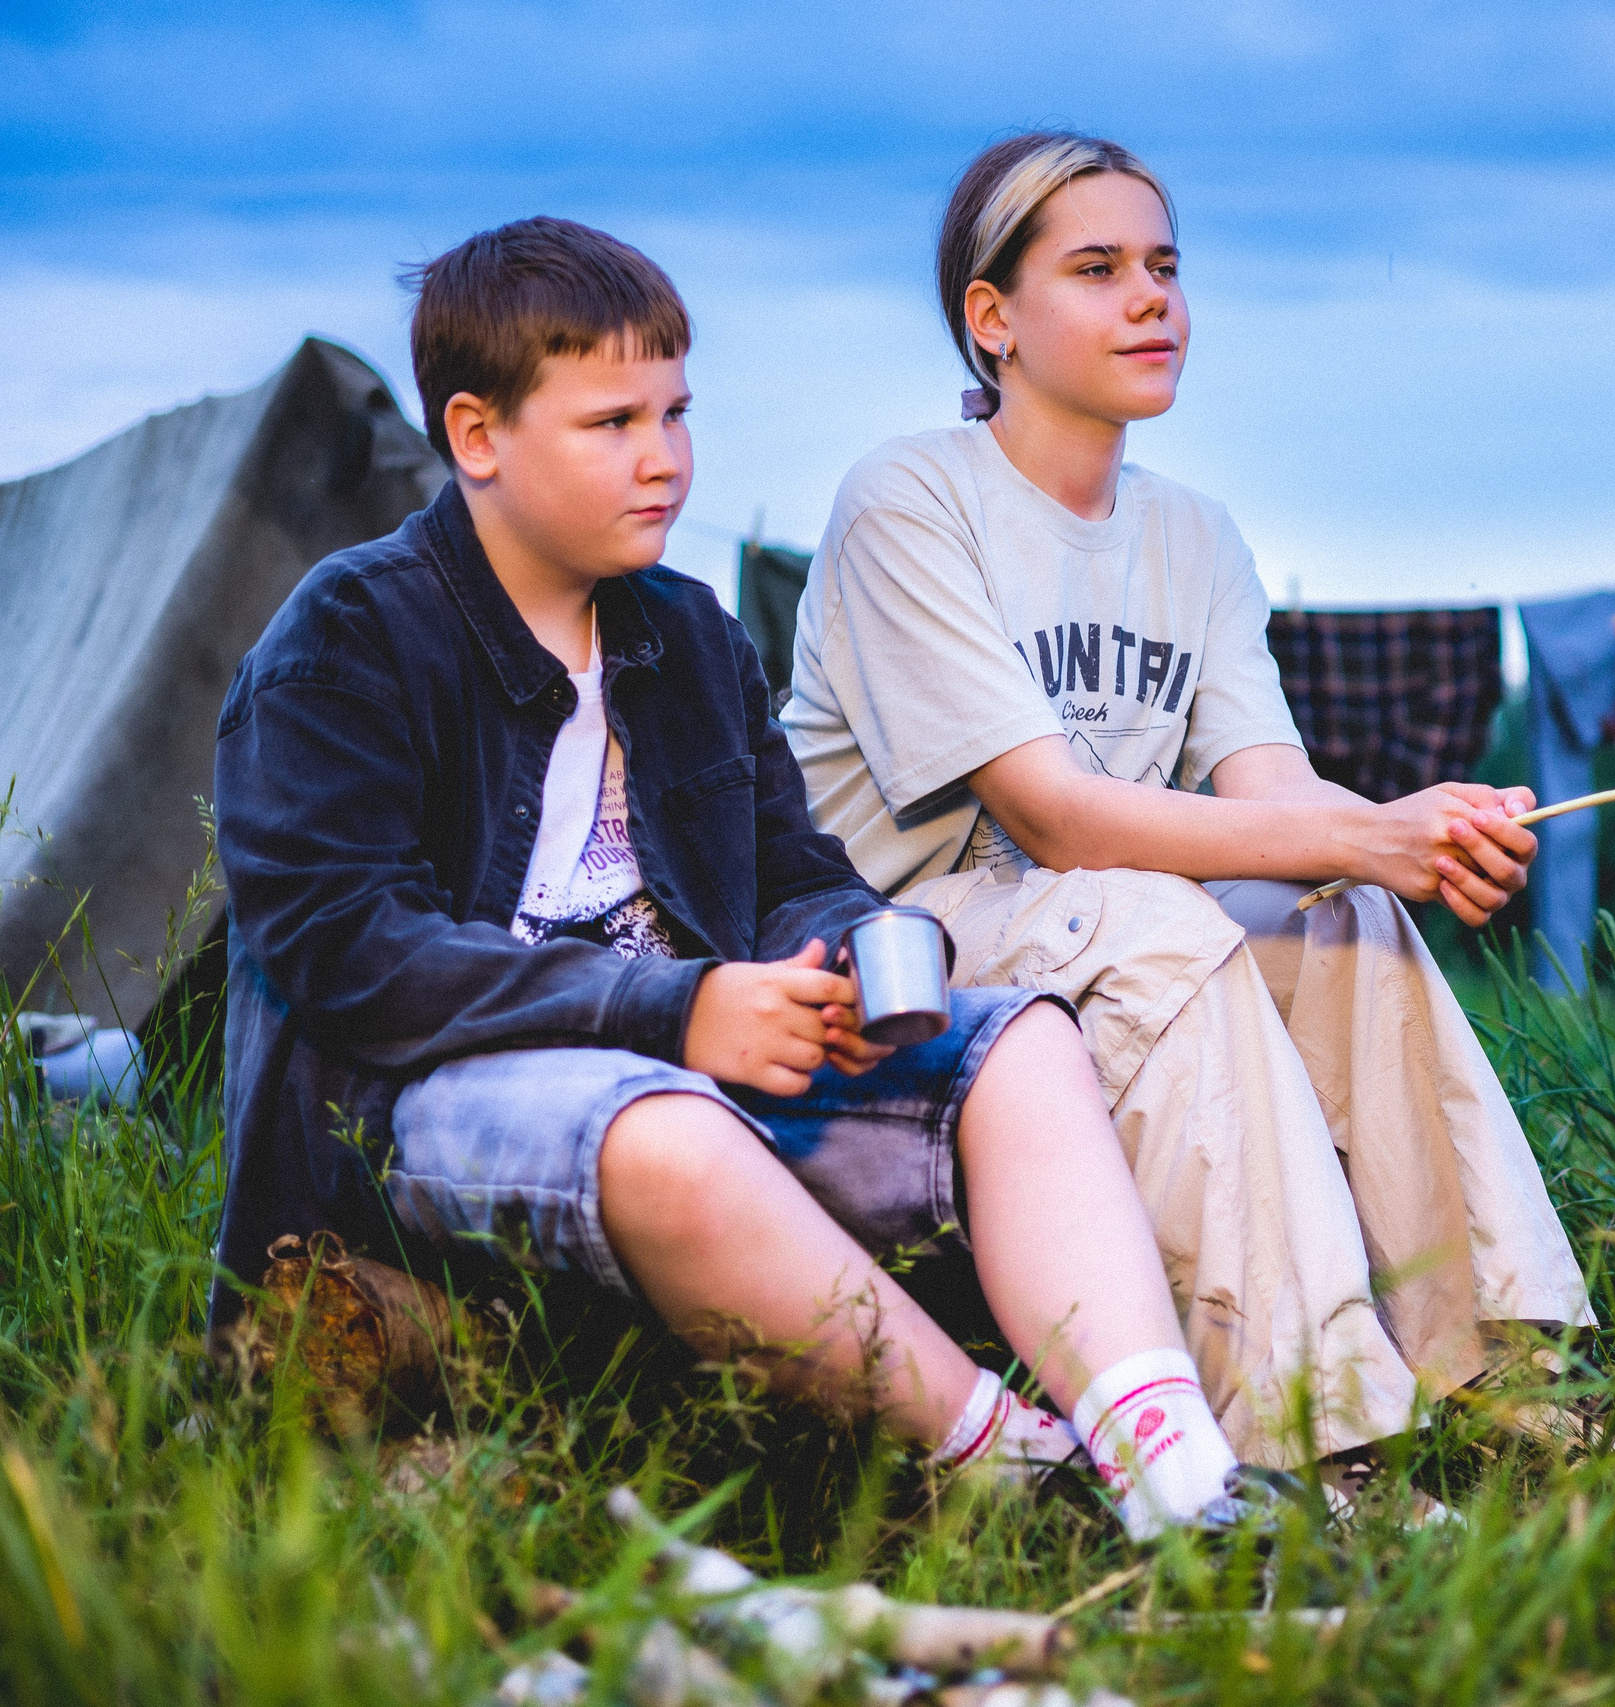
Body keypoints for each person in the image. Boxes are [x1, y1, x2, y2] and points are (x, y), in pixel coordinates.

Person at [210, 216, 1263, 1542]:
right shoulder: (347, 639)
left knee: (1023, 1047)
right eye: (611, 424)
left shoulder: (686, 633)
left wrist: (856, 954)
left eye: (676, 413)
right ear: (478, 437)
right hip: (420, 1117)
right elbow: (347, 954)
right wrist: (680, 1011)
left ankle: (1175, 1473)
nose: (664, 461)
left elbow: (793, 874)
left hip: (689, 1068)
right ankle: (1012, 1472)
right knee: (670, 1133)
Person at [784, 134, 1593, 1492]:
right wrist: (1359, 831)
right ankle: (1304, 1439)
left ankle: (1495, 1368)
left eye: (1163, 266)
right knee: (1173, 923)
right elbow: (1047, 814)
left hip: (1096, 915)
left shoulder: (1195, 535)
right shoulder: (908, 498)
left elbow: (1272, 791)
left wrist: (1415, 826)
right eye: (1096, 270)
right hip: (897, 945)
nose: (1152, 300)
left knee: (1345, 912)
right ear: (993, 321)